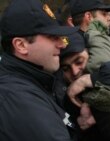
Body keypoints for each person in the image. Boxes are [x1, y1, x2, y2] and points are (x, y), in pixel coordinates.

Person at [0, 0, 78, 141]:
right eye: (52, 37)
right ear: (21, 45)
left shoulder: (38, 80)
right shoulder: (19, 99)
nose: (62, 44)